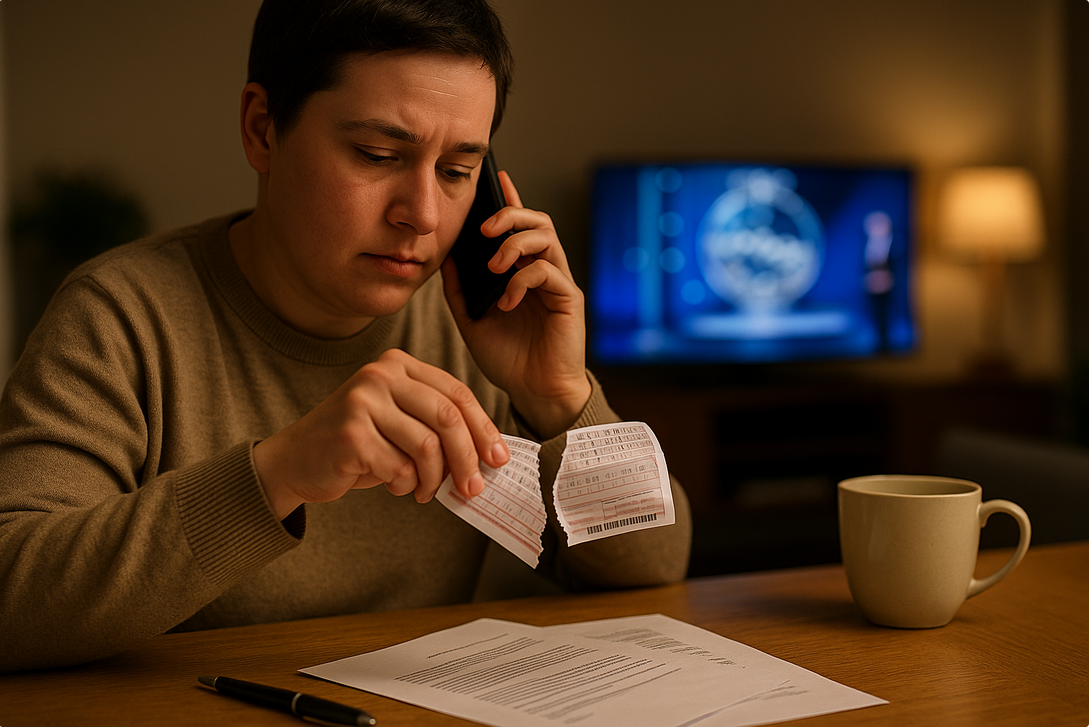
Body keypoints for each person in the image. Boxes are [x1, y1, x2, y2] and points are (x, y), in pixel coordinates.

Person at [0, 0, 691, 674]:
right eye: (377, 153)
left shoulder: (477, 322)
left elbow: (653, 566)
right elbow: (13, 594)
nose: (422, 215)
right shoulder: (119, 314)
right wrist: (280, 471)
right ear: (262, 128)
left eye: (457, 172)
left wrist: (563, 398)